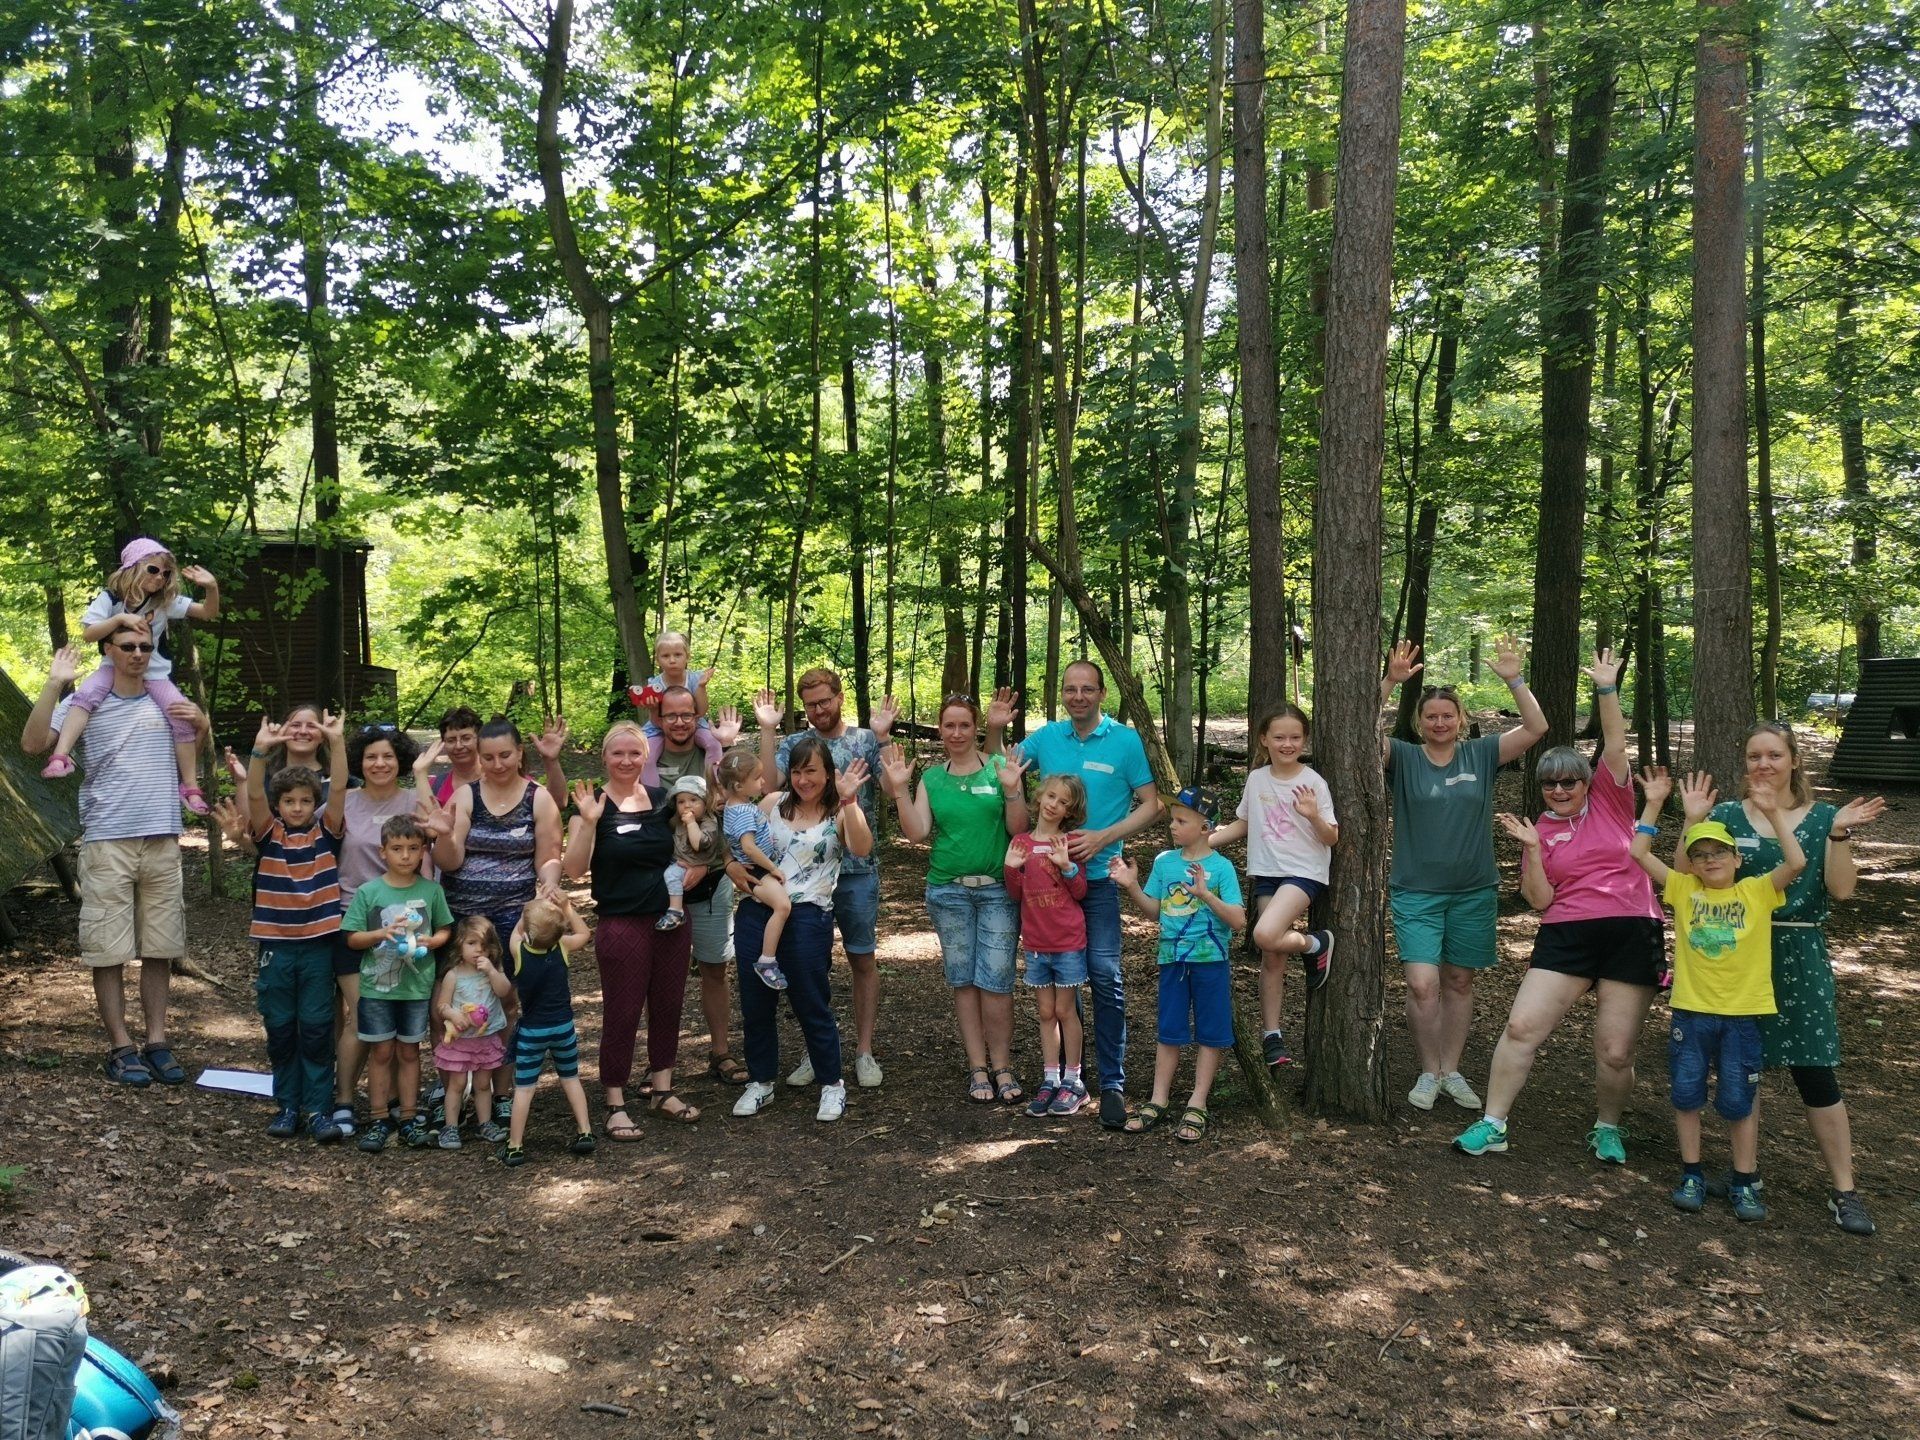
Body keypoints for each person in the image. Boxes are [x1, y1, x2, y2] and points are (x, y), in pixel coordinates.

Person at [1454, 650, 1663, 1164]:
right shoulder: (1541, 829)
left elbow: (1614, 744)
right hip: (1566, 932)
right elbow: (1540, 900)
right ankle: (1493, 1123)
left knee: (1616, 1050)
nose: (1560, 789)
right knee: (1522, 1027)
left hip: (1632, 928)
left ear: (1585, 782)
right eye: (1550, 782)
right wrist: (1529, 849)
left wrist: (1607, 689)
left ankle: (1608, 1127)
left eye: (1569, 781)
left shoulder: (1613, 802)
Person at [1710, 722, 1888, 1235]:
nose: (1763, 765)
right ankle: (1746, 1174)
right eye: (1753, 756)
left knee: (1816, 1074)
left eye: (1773, 755)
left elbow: (1842, 890)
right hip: (1739, 953)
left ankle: (1845, 1190)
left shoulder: (1826, 817)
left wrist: (1838, 834)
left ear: (1793, 760)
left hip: (1800, 951)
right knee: (1744, 1068)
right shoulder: (1725, 816)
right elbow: (1690, 878)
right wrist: (1693, 820)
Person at [986, 665, 1163, 1129]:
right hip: (1046, 885)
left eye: (1088, 689)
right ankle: (1066, 1077)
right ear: (1061, 694)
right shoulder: (1047, 738)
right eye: (1070, 689)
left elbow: (1152, 804)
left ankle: (1112, 1084)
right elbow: (1000, 769)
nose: (1078, 696)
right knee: (1064, 989)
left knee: (1104, 976)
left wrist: (1105, 837)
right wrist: (994, 728)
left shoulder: (1124, 741)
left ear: (1102, 694)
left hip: (1098, 880)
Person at [21, 645, 204, 1087]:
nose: (138, 653)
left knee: (161, 946)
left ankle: (157, 1042)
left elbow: (192, 746)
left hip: (161, 837)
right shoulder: (86, 700)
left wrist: (203, 723)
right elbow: (32, 745)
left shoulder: (166, 699)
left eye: (146, 645)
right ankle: (121, 1047)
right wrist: (54, 681)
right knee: (109, 950)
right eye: (128, 646)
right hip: (107, 841)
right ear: (109, 651)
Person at [1379, 637, 1548, 1110]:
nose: (1439, 722)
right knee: (1421, 983)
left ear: (1461, 719)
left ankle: (1451, 1069)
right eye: (1431, 716)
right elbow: (1359, 731)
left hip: (1474, 889)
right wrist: (1391, 681)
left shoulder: (1482, 754)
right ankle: (1428, 1070)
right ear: (1420, 722)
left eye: (1447, 715)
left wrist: (1515, 679)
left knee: (1458, 981)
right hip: (1416, 890)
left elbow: (1536, 727)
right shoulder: (1405, 757)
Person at [1631, 769, 1804, 1222]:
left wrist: (1772, 813)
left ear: (1737, 857)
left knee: (1737, 1100)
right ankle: (1692, 1173)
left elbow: (1797, 863)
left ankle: (1744, 1180)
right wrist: (1656, 805)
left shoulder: (1757, 891)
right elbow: (1637, 852)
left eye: (1719, 852)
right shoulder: (1684, 890)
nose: (1710, 860)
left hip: (1743, 1016)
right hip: (1691, 1013)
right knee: (1687, 1094)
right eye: (1700, 854)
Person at [878, 696, 1030, 1106]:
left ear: (976, 726)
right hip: (948, 892)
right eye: (949, 726)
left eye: (964, 725)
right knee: (962, 981)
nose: (957, 733)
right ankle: (977, 1067)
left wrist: (1014, 791)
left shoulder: (1000, 768)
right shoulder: (931, 778)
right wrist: (899, 792)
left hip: (997, 889)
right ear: (941, 730)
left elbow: (1021, 831)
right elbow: (916, 833)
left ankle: (1002, 1066)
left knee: (996, 982)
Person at [755, 670, 897, 1089]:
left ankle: (864, 1050)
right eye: (810, 704)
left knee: (861, 957)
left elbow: (892, 789)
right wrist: (767, 730)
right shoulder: (794, 745)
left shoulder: (865, 740)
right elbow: (767, 786)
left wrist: (885, 739)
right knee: (805, 965)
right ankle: (817, 1050)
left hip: (855, 872)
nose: (818, 710)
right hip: (802, 878)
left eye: (824, 701)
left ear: (839, 697)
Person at [562, 723, 700, 1141]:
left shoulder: (663, 801)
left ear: (647, 757)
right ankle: (615, 1100)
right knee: (622, 1012)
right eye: (617, 754)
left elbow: (693, 845)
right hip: (621, 923)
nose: (626, 761)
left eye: (634, 754)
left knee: (668, 1005)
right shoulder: (592, 805)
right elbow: (573, 869)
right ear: (604, 757)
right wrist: (587, 823)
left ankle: (662, 1090)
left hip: (670, 921)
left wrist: (695, 869)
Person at [729, 735, 874, 1123]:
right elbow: (734, 846)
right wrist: (732, 869)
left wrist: (849, 800)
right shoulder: (771, 804)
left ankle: (831, 1084)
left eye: (811, 771)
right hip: (756, 910)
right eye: (796, 771)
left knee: (811, 1002)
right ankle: (761, 1082)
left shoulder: (839, 813)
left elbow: (861, 847)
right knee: (755, 1003)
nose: (802, 779)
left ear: (828, 773)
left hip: (808, 916)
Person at [39, 537, 218, 815]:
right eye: (153, 570)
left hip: (155, 673)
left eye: (166, 573)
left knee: (182, 718)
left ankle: (190, 786)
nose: (160, 578)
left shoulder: (163, 602)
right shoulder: (111, 599)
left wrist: (212, 587)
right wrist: (120, 620)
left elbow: (207, 612)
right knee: (84, 697)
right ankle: (60, 757)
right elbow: (89, 634)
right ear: (134, 568)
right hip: (113, 668)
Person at [1110, 788, 1246, 1142]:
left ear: (1206, 827)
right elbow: (1155, 911)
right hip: (1172, 961)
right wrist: (1132, 886)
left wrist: (1205, 894)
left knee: (1210, 1033)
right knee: (1169, 1031)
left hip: (1211, 963)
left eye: (1181, 820)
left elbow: (1238, 921)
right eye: (1172, 818)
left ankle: (1198, 1101)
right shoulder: (1164, 862)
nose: (1172, 825)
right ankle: (1159, 1099)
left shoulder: (1221, 868)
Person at [1205, 706, 1337, 1070]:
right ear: (1264, 740)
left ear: (1304, 740)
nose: (1287, 743)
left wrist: (1312, 814)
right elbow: (1242, 824)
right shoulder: (1257, 779)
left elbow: (1332, 836)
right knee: (1272, 956)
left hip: (1304, 871)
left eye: (1295, 737)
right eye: (1279, 737)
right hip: (1267, 871)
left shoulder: (1314, 782)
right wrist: (1203, 843)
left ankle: (1315, 943)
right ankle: (1272, 1035)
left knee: (1264, 935)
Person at [244, 709, 349, 1142]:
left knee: (318, 1027)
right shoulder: (270, 833)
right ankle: (287, 1105)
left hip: (319, 946)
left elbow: (339, 785)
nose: (299, 807)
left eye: (306, 800)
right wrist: (258, 751)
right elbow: (253, 793)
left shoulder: (327, 830)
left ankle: (319, 1110)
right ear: (279, 804)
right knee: (282, 1027)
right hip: (277, 947)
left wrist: (337, 742)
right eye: (290, 801)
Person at [329, 723, 434, 1136]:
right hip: (352, 920)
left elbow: (433, 832)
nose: (379, 763)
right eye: (371, 756)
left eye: (388, 756)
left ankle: (393, 1103)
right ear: (360, 761)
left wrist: (425, 777)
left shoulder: (413, 801)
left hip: (409, 923)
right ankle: (342, 1101)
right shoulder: (342, 802)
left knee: (397, 1020)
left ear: (400, 761)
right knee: (362, 1017)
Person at [343, 815, 454, 1152]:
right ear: (383, 851)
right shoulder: (369, 892)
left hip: (416, 987)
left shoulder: (432, 890)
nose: (405, 856)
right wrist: (381, 933)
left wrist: (433, 942)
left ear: (423, 851)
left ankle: (408, 1117)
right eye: (397, 849)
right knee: (381, 1052)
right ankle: (378, 1119)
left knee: (409, 1052)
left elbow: (445, 928)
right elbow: (352, 938)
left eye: (413, 849)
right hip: (378, 988)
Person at [1003, 774, 1090, 1117]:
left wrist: (1066, 866)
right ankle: (1050, 1078)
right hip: (1036, 942)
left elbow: (1081, 890)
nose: (1054, 804)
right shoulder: (1022, 841)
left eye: (1063, 801)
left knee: (1066, 1011)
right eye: (1051, 796)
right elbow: (1015, 893)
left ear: (1070, 811)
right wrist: (1011, 869)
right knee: (1045, 1012)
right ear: (1039, 797)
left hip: (1067, 940)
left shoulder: (1070, 842)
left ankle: (1074, 1081)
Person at [499, 895, 597, 1167]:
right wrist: (566, 906)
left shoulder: (519, 951)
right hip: (563, 1027)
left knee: (524, 1089)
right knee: (571, 1078)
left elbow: (517, 932)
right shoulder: (562, 947)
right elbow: (585, 933)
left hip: (532, 1032)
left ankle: (515, 1145)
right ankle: (585, 1130)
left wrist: (526, 908)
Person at [431, 916, 512, 1148]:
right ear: (459, 945)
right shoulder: (453, 975)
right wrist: (454, 1015)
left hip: (486, 1040)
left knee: (484, 1084)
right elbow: (442, 1006)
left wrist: (492, 972)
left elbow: (504, 991)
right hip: (460, 1042)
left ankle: (485, 1123)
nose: (478, 950)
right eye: (471, 944)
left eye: (484, 946)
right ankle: (450, 1127)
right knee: (456, 1084)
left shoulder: (493, 970)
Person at [716, 748, 791, 992]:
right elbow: (748, 847)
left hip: (757, 869)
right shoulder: (744, 812)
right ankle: (767, 961)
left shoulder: (733, 806)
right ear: (739, 786)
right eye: (758, 778)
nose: (763, 781)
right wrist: (773, 868)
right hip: (759, 871)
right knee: (782, 906)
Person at [417, 707, 569, 812]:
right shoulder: (433, 786)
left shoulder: (506, 777)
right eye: (451, 740)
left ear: (480, 740)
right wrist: (420, 772)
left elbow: (557, 803)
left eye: (466, 738)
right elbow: (428, 829)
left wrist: (551, 761)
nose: (458, 746)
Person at [632, 632, 722, 770]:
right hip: (659, 729)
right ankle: (651, 791)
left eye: (678, 655)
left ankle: (714, 784)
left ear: (687, 656)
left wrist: (701, 687)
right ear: (658, 660)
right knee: (645, 753)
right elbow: (657, 722)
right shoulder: (655, 685)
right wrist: (653, 708)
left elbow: (701, 711)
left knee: (714, 743)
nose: (672, 660)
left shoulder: (695, 679)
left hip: (694, 725)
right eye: (666, 656)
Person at [658, 774, 726, 933]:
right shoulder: (678, 820)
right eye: (681, 801)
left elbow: (698, 844)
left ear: (705, 802)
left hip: (692, 865)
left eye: (693, 800)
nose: (687, 805)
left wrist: (690, 823)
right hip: (678, 859)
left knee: (671, 876)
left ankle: (676, 912)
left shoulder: (709, 822)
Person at [643, 687, 743, 790]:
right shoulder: (639, 760)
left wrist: (725, 744)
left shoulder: (709, 753)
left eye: (686, 716)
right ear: (660, 721)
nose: (679, 723)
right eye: (671, 716)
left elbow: (739, 787)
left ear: (696, 719)